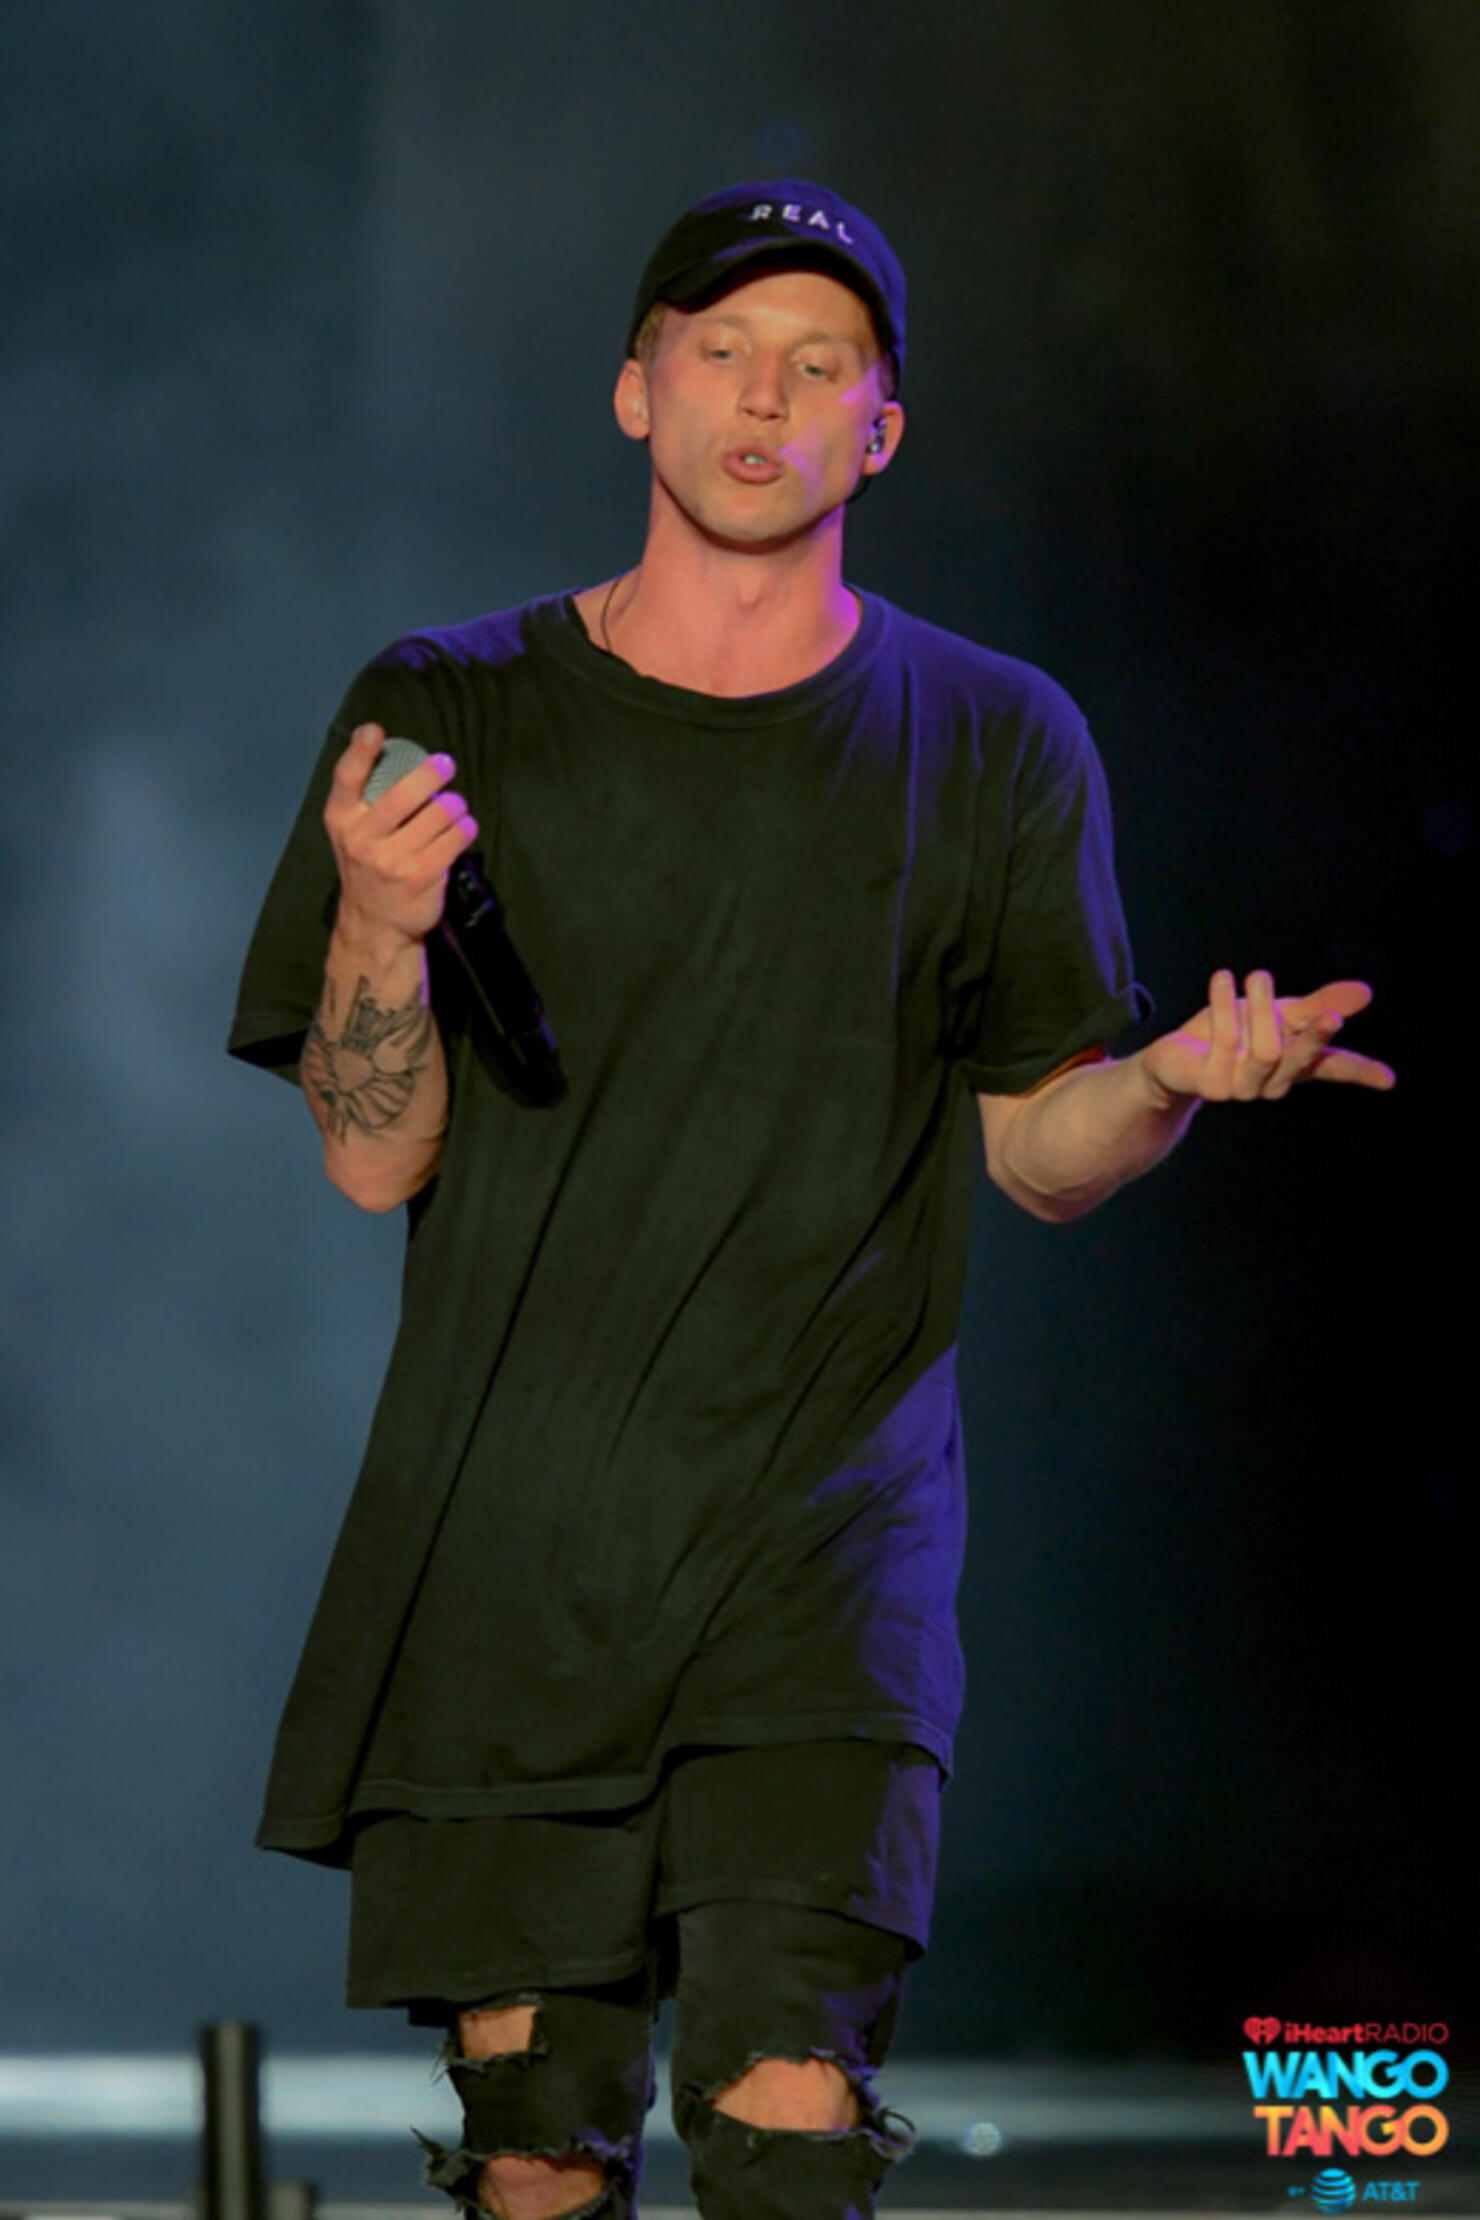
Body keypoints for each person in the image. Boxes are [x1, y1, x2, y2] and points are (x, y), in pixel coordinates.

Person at [229, 181, 1393, 2220]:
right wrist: (381, 929)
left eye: (818, 364)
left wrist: (1163, 1084)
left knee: (786, 2136)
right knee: (536, 2161)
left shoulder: (996, 735)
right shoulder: (451, 706)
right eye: (720, 352)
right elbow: (369, 1152)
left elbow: (1034, 1150)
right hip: (514, 1556)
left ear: (882, 428)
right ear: (635, 392)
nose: (763, 399)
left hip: (824, 1555)